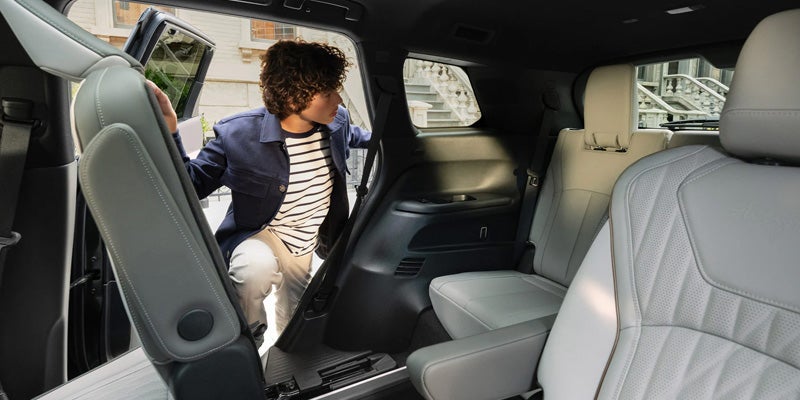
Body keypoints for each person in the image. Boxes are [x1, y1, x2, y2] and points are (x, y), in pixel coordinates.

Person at [149, 40, 371, 346]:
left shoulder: (337, 122)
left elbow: (361, 137)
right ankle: (249, 347)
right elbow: (191, 183)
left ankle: (286, 356)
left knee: (296, 319)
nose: (338, 99)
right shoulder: (236, 134)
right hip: (260, 233)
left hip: (305, 241)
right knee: (252, 272)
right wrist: (170, 130)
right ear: (295, 95)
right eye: (328, 91)